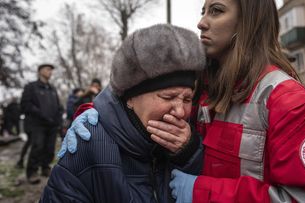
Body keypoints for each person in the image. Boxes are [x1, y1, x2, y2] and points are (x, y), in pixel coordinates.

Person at [61, 0, 305, 202]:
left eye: (216, 11)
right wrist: (95, 117)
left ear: (249, 21)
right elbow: (138, 95)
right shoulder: (203, 85)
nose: (201, 22)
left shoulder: (295, 106)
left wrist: (202, 192)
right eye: (203, 11)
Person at [40, 24, 205, 203]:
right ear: (130, 98)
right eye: (168, 97)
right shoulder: (89, 141)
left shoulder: (189, 141)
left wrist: (188, 154)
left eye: (187, 99)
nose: (180, 111)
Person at [20, 64, 63, 184]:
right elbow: (25, 104)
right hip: (37, 124)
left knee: (50, 147)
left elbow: (58, 106)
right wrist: (41, 114)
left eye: (51, 70)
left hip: (52, 124)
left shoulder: (52, 89)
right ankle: (32, 171)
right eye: (48, 69)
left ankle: (45, 167)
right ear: (40, 71)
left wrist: (58, 117)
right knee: (38, 146)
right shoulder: (31, 87)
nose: (50, 72)